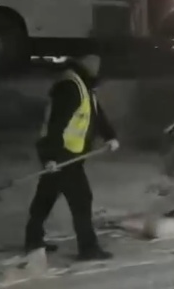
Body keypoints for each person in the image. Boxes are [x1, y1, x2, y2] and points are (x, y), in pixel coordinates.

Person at [26, 54, 119, 260]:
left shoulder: (83, 87)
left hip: (64, 153)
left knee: (47, 195)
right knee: (81, 198)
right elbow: (56, 125)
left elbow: (96, 115)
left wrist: (110, 135)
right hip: (62, 154)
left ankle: (33, 239)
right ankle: (88, 248)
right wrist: (51, 157)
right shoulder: (71, 87)